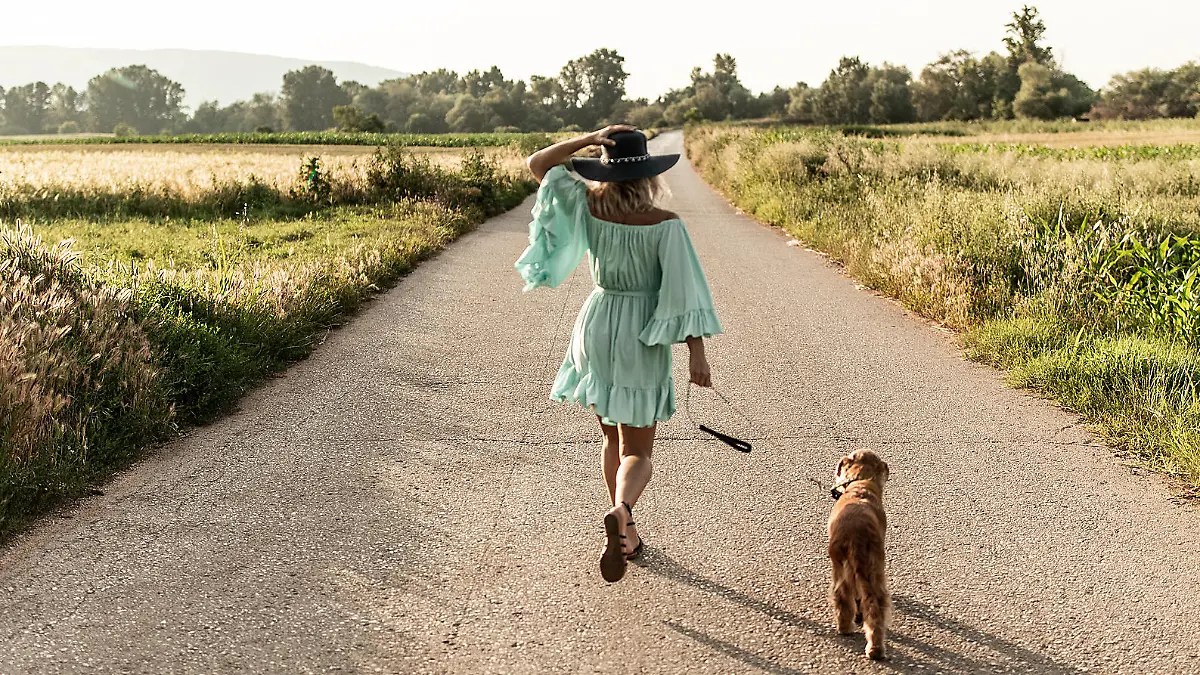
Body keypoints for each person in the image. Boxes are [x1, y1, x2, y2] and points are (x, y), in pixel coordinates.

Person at [515, 125, 722, 583]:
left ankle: (624, 530)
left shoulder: (590, 204)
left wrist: (586, 139)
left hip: (598, 321)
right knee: (640, 451)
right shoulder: (665, 224)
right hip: (641, 334)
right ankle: (624, 511)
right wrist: (697, 354)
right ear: (649, 175)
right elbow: (684, 293)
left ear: (606, 168)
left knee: (612, 438)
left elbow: (538, 164)